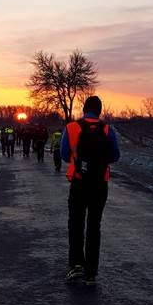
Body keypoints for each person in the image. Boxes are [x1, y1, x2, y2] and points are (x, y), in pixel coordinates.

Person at [61, 95, 120, 286]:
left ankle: (76, 265)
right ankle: (91, 273)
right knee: (94, 226)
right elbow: (115, 156)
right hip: (99, 184)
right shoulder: (107, 130)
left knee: (76, 224)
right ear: (100, 110)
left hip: (78, 183)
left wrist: (80, 161)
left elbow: (63, 155)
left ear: (84, 109)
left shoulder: (71, 128)